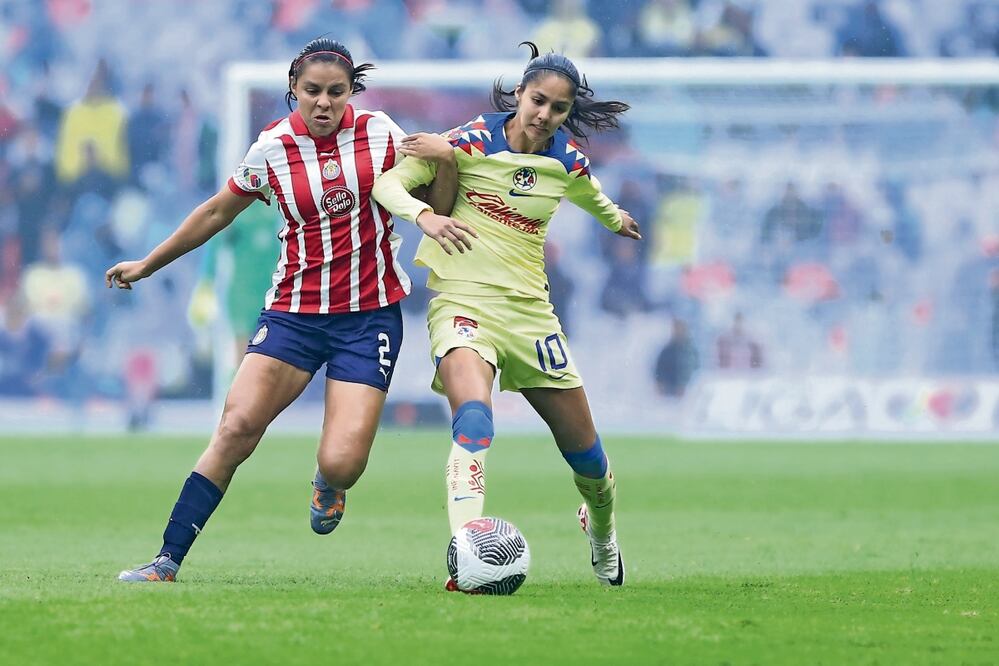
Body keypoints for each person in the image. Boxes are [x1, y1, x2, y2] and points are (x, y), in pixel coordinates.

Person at [106, 37, 466, 583]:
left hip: (368, 318)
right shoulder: (271, 148)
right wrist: (149, 264)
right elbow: (216, 212)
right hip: (293, 313)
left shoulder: (383, 135)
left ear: (352, 93)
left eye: (336, 93)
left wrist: (445, 165)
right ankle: (166, 560)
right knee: (236, 427)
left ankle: (329, 480)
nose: (323, 103)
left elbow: (438, 206)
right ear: (293, 90)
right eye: (312, 91)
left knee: (344, 461)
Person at [372, 42, 640, 587]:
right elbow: (387, 183)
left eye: (557, 108)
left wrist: (616, 222)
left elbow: (594, 200)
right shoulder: (468, 140)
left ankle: (603, 535)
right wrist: (425, 217)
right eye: (537, 100)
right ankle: (467, 548)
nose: (544, 115)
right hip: (463, 302)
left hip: (530, 315)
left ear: (567, 114)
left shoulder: (567, 162)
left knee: (587, 457)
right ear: (519, 93)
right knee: (473, 418)